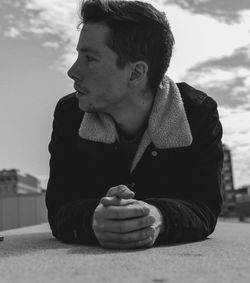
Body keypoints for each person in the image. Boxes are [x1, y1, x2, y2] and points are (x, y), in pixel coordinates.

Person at [46, 0, 223, 249]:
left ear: (136, 73)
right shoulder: (69, 114)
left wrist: (158, 217)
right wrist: (92, 219)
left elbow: (205, 206)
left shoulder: (197, 113)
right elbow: (59, 207)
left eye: (89, 58)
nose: (72, 71)